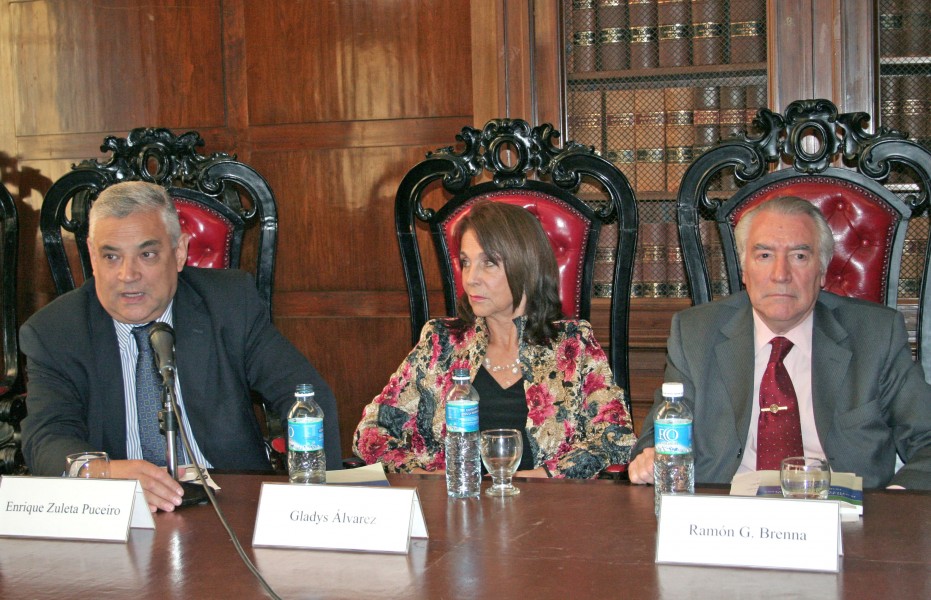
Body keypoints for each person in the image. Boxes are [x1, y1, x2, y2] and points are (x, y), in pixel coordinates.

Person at [21, 181, 342, 511]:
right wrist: (104, 474)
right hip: (117, 512)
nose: (127, 275)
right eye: (111, 256)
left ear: (178, 253)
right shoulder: (54, 332)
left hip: (229, 502)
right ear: (91, 255)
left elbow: (304, 394)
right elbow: (46, 438)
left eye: (146, 254)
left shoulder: (230, 305)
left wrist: (315, 500)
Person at [629, 196, 931, 489]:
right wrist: (651, 459)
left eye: (799, 256)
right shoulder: (696, 333)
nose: (781, 275)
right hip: (726, 519)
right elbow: (659, 437)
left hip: (842, 518)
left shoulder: (875, 335)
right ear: (744, 270)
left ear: (822, 270)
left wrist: (895, 505)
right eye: (764, 256)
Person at [352, 200, 635, 478]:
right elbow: (372, 433)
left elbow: (614, 438)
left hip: (549, 512)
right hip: (454, 510)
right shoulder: (441, 342)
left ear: (525, 265)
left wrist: (539, 479)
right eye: (465, 262)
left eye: (488, 263)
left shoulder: (573, 345)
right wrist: (432, 475)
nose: (471, 278)